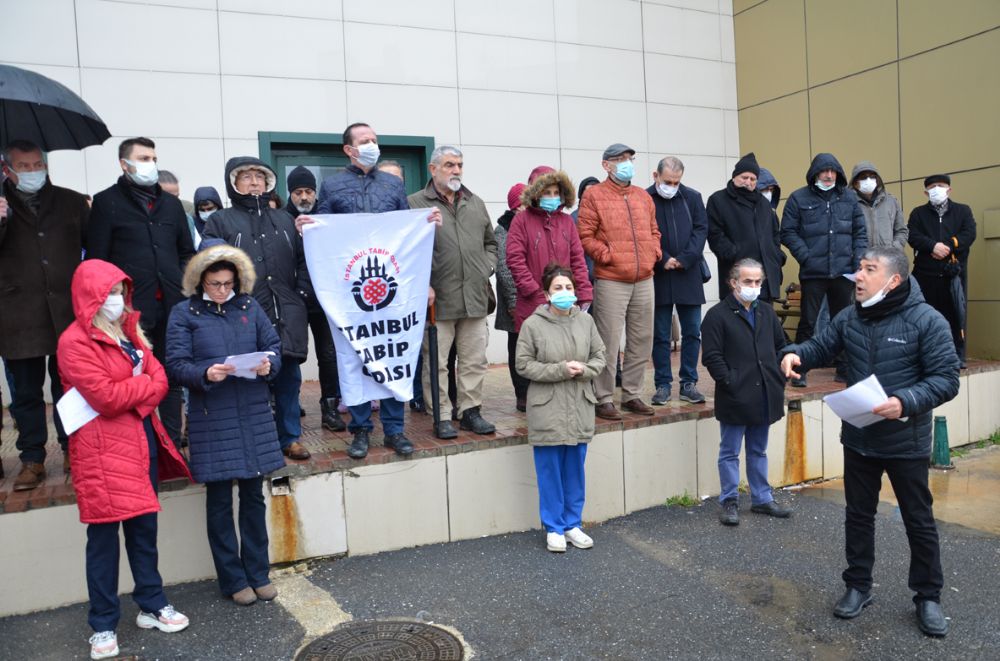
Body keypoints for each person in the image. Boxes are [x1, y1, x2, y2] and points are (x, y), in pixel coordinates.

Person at [781, 246, 959, 638]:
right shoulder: (850, 317)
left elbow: (946, 378)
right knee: (858, 517)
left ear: (893, 280)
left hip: (905, 439)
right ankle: (857, 587)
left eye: (868, 270)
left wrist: (905, 402)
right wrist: (795, 354)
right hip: (859, 436)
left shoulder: (927, 321)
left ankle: (928, 596)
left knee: (919, 520)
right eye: (858, 268)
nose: (857, 277)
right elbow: (819, 347)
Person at [57, 260, 192, 661]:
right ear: (91, 297)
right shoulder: (74, 342)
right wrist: (141, 387)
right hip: (100, 451)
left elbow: (161, 378)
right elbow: (104, 398)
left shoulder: (129, 330)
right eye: (110, 293)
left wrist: (135, 388)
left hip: (139, 442)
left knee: (143, 531)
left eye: (120, 292)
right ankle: (102, 625)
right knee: (102, 541)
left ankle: (152, 603)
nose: (117, 300)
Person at [302, 122, 441, 458]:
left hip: (391, 288)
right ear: (349, 149)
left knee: (393, 352)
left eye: (375, 140)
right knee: (354, 356)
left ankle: (395, 430)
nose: (372, 145)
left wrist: (426, 225)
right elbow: (324, 235)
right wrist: (307, 227)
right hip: (352, 291)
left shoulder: (393, 185)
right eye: (365, 141)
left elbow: (409, 237)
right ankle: (361, 430)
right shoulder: (333, 186)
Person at [166, 241, 284, 607]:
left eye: (228, 283)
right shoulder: (184, 313)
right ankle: (232, 578)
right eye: (215, 283)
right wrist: (205, 372)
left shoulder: (249, 306)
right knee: (218, 501)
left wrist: (269, 365)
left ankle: (258, 572)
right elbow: (175, 364)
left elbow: (274, 347)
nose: (222, 290)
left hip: (252, 413)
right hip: (211, 416)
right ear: (200, 280)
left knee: (253, 497)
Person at [86, 137, 195, 448]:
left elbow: (186, 252)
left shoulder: (171, 205)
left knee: (171, 375)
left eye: (153, 158)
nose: (151, 164)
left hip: (172, 306)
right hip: (130, 311)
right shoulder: (106, 202)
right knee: (134, 377)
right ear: (125, 164)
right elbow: (97, 259)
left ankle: (173, 442)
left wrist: (183, 284)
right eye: (144, 158)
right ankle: (141, 443)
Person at [202, 157, 313, 461]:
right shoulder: (220, 221)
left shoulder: (285, 220)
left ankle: (289, 438)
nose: (254, 182)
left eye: (260, 176)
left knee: (289, 378)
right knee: (248, 381)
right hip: (244, 314)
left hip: (287, 312)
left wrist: (300, 295)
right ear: (233, 182)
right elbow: (210, 263)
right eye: (247, 176)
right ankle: (252, 439)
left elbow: (305, 261)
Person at [0, 139, 89, 489]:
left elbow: (93, 250)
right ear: (7, 169)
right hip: (17, 315)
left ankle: (73, 448)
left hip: (68, 312)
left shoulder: (71, 202)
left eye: (38, 165)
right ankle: (32, 458)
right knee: (25, 392)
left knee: (69, 387)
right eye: (24, 167)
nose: (34, 171)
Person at [515, 264, 606, 553]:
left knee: (574, 469)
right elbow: (523, 364)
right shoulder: (533, 325)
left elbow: (600, 356)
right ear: (546, 293)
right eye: (558, 288)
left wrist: (586, 369)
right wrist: (560, 369)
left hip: (579, 406)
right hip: (548, 409)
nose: (565, 293)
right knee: (550, 470)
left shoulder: (585, 322)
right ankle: (553, 527)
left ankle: (572, 524)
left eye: (568, 288)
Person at [409, 145, 498, 439]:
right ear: (433, 169)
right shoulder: (414, 204)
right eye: (449, 165)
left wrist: (485, 267)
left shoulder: (475, 202)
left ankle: (470, 411)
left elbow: (491, 243)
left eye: (459, 165)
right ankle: (442, 415)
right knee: (436, 362)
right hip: (439, 298)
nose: (456, 170)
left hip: (474, 296)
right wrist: (423, 284)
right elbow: (406, 252)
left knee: (474, 360)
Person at [702, 258, 791, 526]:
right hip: (736, 394)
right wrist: (730, 381)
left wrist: (777, 375)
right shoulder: (717, 315)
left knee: (758, 450)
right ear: (733, 283)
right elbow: (712, 356)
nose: (753, 286)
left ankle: (762, 498)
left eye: (758, 282)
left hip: (764, 391)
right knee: (729, 451)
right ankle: (729, 501)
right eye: (748, 281)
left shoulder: (766, 311)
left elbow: (780, 346)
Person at [577, 143, 661, 420]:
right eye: (621, 159)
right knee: (608, 340)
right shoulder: (594, 196)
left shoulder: (642, 196)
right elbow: (585, 235)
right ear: (606, 165)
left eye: (630, 159)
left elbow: (654, 230)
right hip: (612, 278)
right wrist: (607, 256)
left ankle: (632, 394)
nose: (627, 163)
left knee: (641, 338)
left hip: (644, 277)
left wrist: (654, 253)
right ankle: (603, 398)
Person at [507, 167, 593, 413]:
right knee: (536, 353)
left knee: (564, 350)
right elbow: (515, 259)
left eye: (556, 192)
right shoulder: (521, 220)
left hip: (565, 299)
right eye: (546, 192)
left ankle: (566, 400)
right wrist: (535, 293)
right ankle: (534, 401)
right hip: (533, 301)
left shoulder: (566, 221)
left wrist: (584, 293)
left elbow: (578, 259)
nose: (552, 196)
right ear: (535, 193)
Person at [780, 152, 867, 386]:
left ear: (838, 174)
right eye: (823, 171)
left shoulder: (849, 198)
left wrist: (857, 260)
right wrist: (806, 256)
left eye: (832, 171)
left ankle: (844, 367)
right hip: (813, 273)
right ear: (814, 173)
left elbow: (860, 232)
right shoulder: (798, 198)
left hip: (843, 272)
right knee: (808, 322)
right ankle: (800, 369)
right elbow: (787, 231)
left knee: (845, 321)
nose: (828, 175)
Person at [283, 165, 345, 432]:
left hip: (324, 300)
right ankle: (289, 407)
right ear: (290, 194)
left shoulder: (327, 217)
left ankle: (330, 408)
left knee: (329, 356)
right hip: (292, 300)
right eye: (298, 192)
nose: (304, 197)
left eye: (309, 191)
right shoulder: (281, 220)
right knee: (291, 356)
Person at [646, 156, 708, 405]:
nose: (672, 186)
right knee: (660, 334)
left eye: (676, 182)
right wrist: (664, 259)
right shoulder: (644, 198)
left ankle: (688, 383)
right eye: (667, 181)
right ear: (656, 176)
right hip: (659, 274)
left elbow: (701, 229)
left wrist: (685, 258)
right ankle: (662, 384)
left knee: (692, 332)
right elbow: (643, 233)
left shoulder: (692, 197)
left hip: (688, 273)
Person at [907, 174, 976, 366]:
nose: (937, 189)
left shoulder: (962, 211)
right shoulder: (918, 213)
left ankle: (957, 355)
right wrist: (932, 246)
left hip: (953, 274)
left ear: (949, 189)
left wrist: (947, 246)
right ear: (925, 192)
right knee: (925, 316)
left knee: (955, 314)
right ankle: (927, 356)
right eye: (932, 186)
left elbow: (969, 233)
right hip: (925, 275)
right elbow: (912, 235)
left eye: (941, 185)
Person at [707, 153, 784, 304]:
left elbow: (775, 235)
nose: (748, 182)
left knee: (764, 323)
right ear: (735, 176)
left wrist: (776, 256)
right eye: (744, 177)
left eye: (753, 179)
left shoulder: (763, 204)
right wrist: (732, 253)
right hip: (736, 275)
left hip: (764, 278)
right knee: (736, 323)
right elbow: (714, 233)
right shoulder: (718, 200)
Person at [494, 183, 528, 411]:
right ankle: (522, 395)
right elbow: (505, 269)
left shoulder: (529, 225)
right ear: (517, 205)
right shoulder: (503, 230)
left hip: (533, 297)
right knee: (517, 347)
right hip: (514, 302)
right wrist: (514, 302)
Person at [850, 161, 907, 250]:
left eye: (872, 177)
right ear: (855, 183)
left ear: (877, 180)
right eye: (863, 177)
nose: (868, 180)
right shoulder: (848, 203)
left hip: (887, 259)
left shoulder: (891, 201)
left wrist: (894, 249)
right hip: (861, 260)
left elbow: (901, 230)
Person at [158, 169, 198, 248]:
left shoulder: (186, 219)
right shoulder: (141, 220)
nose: (174, 201)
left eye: (176, 197)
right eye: (168, 197)